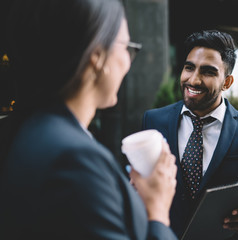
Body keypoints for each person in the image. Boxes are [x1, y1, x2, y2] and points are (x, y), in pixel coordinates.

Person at [0, 0, 178, 239]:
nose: (128, 60)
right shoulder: (75, 160)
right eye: (126, 46)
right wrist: (158, 212)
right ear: (96, 56)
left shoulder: (26, 128)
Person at [142, 30, 238, 239]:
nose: (194, 80)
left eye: (208, 72)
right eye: (189, 67)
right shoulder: (153, 120)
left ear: (227, 82)